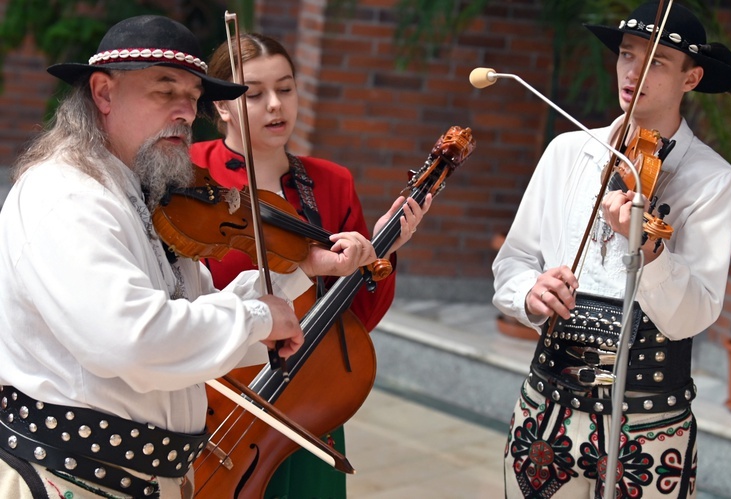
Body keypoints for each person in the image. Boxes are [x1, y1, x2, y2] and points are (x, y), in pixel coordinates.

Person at [0, 15, 380, 499]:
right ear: (103, 93)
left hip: (146, 480)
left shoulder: (148, 194)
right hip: (71, 479)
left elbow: (199, 313)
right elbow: (131, 340)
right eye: (165, 91)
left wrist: (298, 271)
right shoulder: (66, 194)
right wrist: (259, 319)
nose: (185, 111)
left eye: (193, 97)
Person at [492, 2, 731, 498]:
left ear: (691, 78)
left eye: (657, 62)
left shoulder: (715, 181)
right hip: (547, 408)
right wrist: (529, 295)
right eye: (627, 55)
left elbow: (693, 314)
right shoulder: (568, 151)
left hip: (650, 426)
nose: (634, 72)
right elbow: (514, 262)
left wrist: (650, 253)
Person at [189, 33, 430, 498]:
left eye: (286, 88)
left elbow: (354, 321)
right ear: (221, 106)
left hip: (304, 400)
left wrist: (379, 253)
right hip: (210, 397)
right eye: (254, 94)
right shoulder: (190, 172)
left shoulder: (329, 183)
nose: (275, 105)